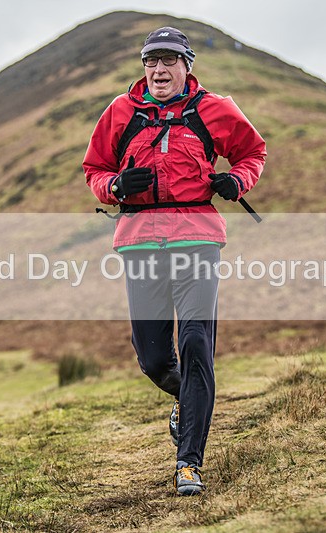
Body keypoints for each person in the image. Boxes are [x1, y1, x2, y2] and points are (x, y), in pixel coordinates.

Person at [83, 26, 266, 496]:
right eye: (150, 61)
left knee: (196, 343)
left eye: (168, 60)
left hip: (197, 241)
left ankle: (189, 463)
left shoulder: (214, 109)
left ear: (187, 66)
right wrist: (116, 187)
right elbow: (95, 170)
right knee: (153, 359)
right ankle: (188, 402)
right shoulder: (121, 112)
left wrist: (236, 182)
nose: (158, 70)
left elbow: (252, 152)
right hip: (140, 243)